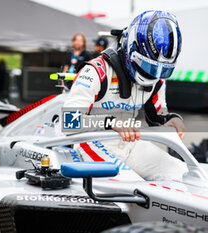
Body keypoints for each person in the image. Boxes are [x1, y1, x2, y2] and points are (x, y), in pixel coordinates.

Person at [63, 11, 187, 180]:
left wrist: (172, 120)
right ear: (131, 48)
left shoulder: (157, 79)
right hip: (93, 142)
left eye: (161, 69)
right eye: (150, 66)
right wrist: (111, 122)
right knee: (132, 188)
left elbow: (157, 116)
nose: (155, 73)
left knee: (182, 174)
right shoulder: (96, 71)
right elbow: (68, 121)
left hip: (131, 143)